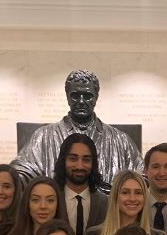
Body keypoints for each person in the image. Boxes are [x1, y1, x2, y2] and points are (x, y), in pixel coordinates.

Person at [11, 69, 144, 191]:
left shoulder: (121, 140)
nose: (81, 101)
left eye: (87, 96)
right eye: (75, 95)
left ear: (96, 97)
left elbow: (141, 175)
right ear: (67, 96)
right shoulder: (43, 137)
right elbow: (22, 170)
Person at [53, 133, 108, 235]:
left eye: (86, 160)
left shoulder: (106, 203)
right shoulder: (52, 199)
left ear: (93, 164)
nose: (79, 166)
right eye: (73, 159)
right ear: (63, 161)